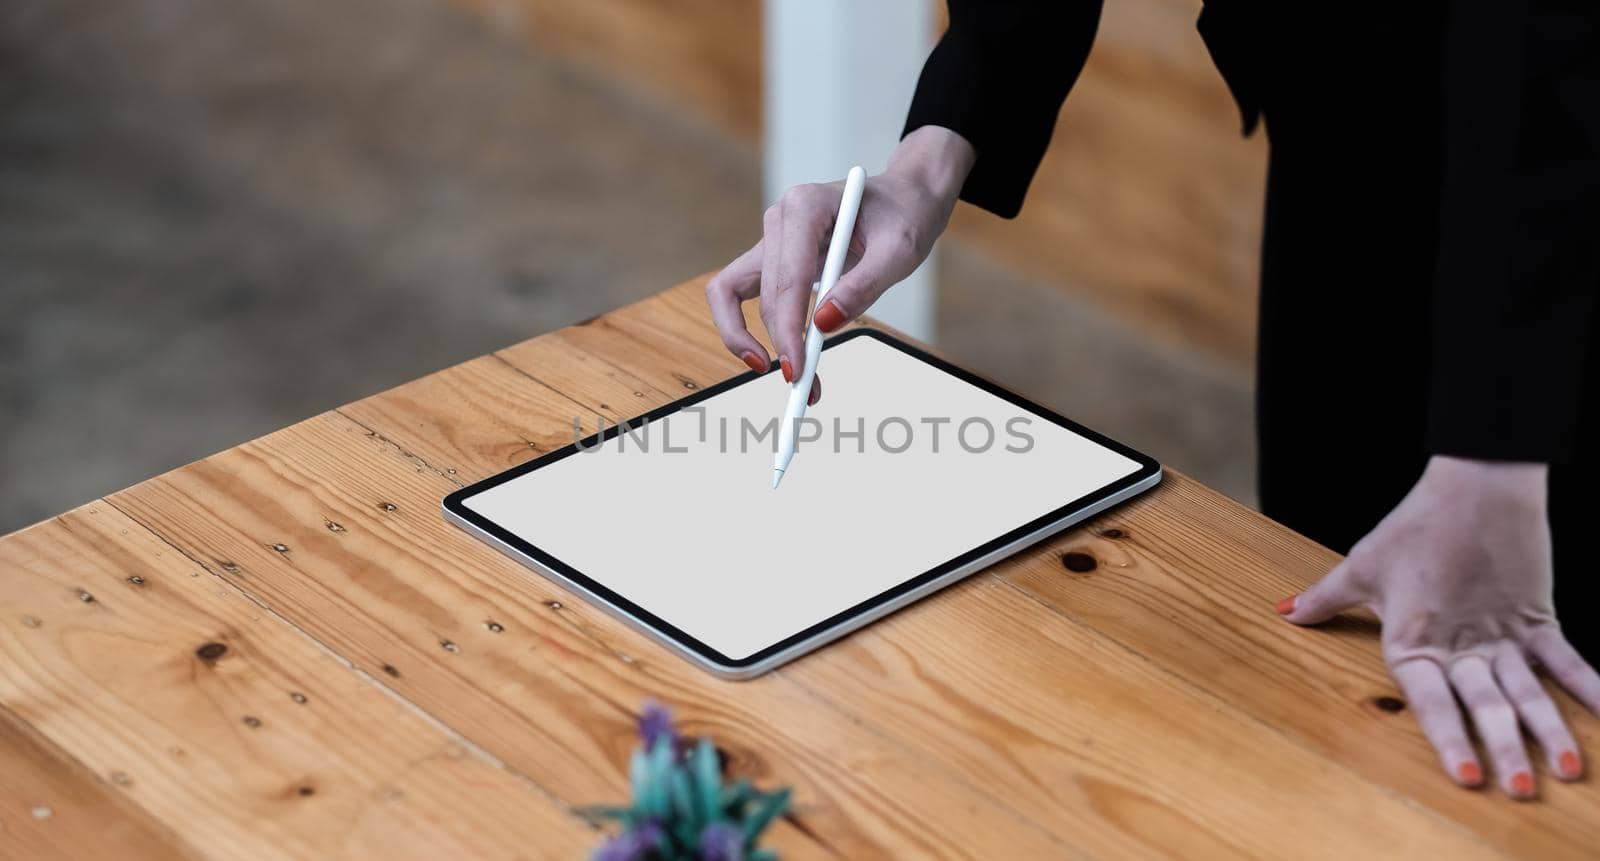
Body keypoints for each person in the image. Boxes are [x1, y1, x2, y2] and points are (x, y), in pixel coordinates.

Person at [705, 0, 1600, 800]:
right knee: (1333, 610)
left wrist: (1498, 437)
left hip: (1571, 159)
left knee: (1538, 671)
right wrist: (934, 148)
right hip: (1342, 107)